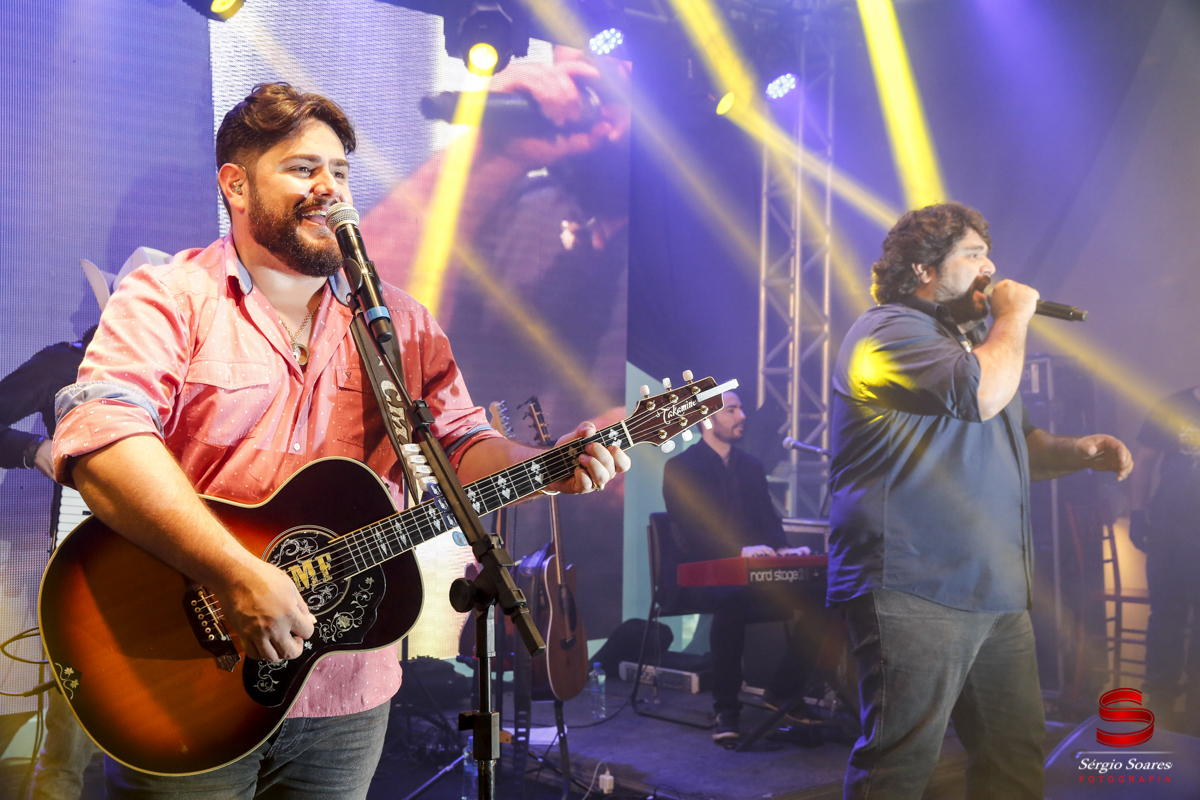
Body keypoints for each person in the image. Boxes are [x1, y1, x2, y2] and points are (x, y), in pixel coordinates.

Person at [50, 82, 629, 799]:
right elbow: (103, 439)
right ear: (235, 185)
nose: (329, 187)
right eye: (303, 168)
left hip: (348, 691)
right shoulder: (167, 298)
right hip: (185, 678)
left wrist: (545, 466)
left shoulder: (400, 324)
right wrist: (237, 575)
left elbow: (460, 444)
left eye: (341, 172)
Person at [827, 202, 1133, 799]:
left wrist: (1077, 450)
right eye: (972, 255)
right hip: (914, 582)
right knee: (900, 765)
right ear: (922, 269)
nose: (991, 267)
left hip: (993, 592)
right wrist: (1014, 317)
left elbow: (1021, 444)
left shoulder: (969, 343)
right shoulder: (887, 330)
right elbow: (981, 394)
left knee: (1014, 758)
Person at [0, 249, 168, 800]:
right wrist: (35, 448)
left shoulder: (187, 364)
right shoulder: (64, 364)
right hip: (87, 562)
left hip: (176, 570)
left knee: (167, 736)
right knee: (68, 743)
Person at [662, 390, 813, 745]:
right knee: (732, 598)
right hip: (701, 574)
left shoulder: (751, 465)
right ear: (706, 420)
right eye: (731, 410)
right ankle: (726, 708)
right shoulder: (681, 467)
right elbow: (688, 530)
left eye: (740, 408)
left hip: (751, 572)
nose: (741, 415)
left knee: (821, 597)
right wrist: (740, 551)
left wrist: (783, 549)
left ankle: (782, 689)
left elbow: (768, 519)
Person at [1128, 386, 1200, 734]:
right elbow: (1143, 461)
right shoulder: (1174, 406)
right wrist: (1138, 513)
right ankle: (1159, 712)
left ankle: (1196, 715)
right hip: (1170, 531)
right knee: (1165, 620)